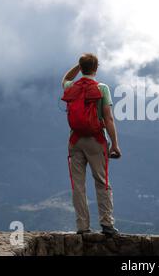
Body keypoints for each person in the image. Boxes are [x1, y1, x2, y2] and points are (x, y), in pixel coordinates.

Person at [61, 53, 121, 235]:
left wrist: (79, 66)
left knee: (78, 185)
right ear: (96, 68)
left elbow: (65, 78)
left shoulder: (71, 86)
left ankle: (82, 227)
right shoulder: (102, 88)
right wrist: (115, 145)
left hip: (75, 140)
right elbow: (108, 118)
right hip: (96, 140)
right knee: (102, 181)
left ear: (81, 67)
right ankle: (107, 224)